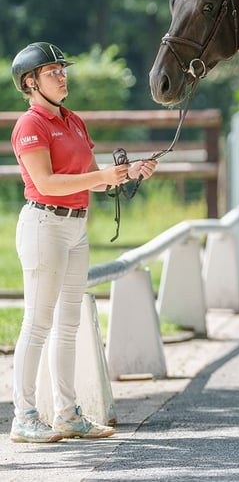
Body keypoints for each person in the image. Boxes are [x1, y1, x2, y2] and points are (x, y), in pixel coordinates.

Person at [8, 42, 158, 443]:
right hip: (44, 225)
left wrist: (131, 173)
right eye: (52, 71)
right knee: (38, 323)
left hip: (75, 227)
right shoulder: (30, 125)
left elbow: (93, 176)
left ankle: (67, 414)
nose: (62, 76)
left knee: (68, 325)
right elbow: (46, 183)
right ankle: (23, 416)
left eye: (62, 69)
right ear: (30, 82)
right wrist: (102, 177)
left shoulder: (73, 121)